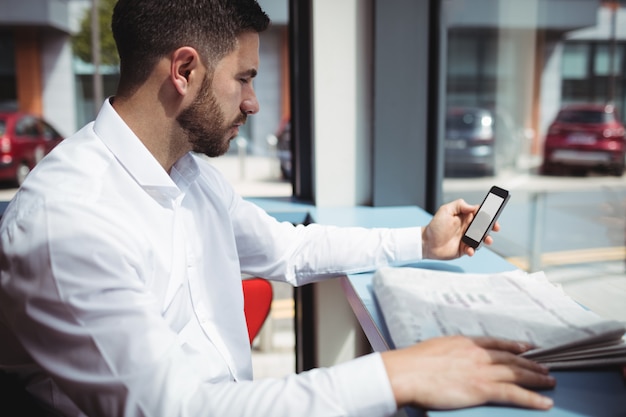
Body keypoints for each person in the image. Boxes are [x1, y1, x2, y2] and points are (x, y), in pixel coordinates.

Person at [0, 1, 556, 416]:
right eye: (243, 78)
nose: (253, 102)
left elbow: (289, 248)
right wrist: (396, 374)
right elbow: (182, 409)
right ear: (184, 71)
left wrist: (421, 242)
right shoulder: (68, 224)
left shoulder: (190, 176)